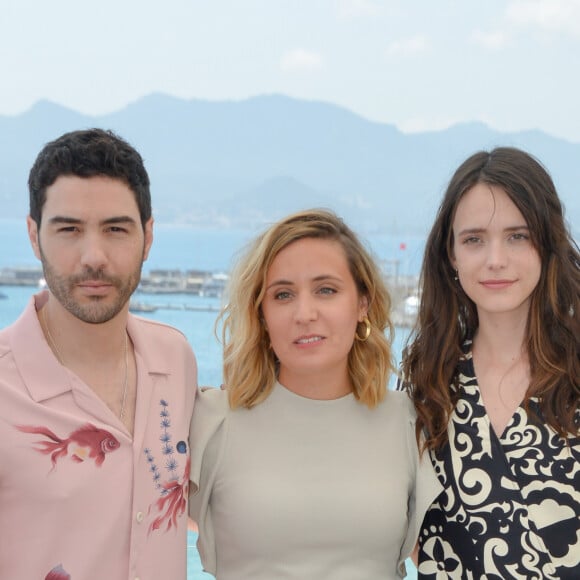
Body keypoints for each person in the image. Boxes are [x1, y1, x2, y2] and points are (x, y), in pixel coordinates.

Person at [189, 208, 440, 579]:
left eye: (326, 290)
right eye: (283, 294)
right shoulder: (210, 421)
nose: (304, 313)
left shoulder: (409, 423)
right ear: (261, 314)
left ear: (362, 304)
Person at [0, 129, 197, 579]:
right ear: (34, 236)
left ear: (148, 237)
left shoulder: (175, 359)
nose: (94, 256)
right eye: (68, 229)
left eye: (116, 229)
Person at [399, 147, 580, 578]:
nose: (495, 259)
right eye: (474, 239)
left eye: (518, 236)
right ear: (451, 255)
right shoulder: (426, 386)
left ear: (547, 243)